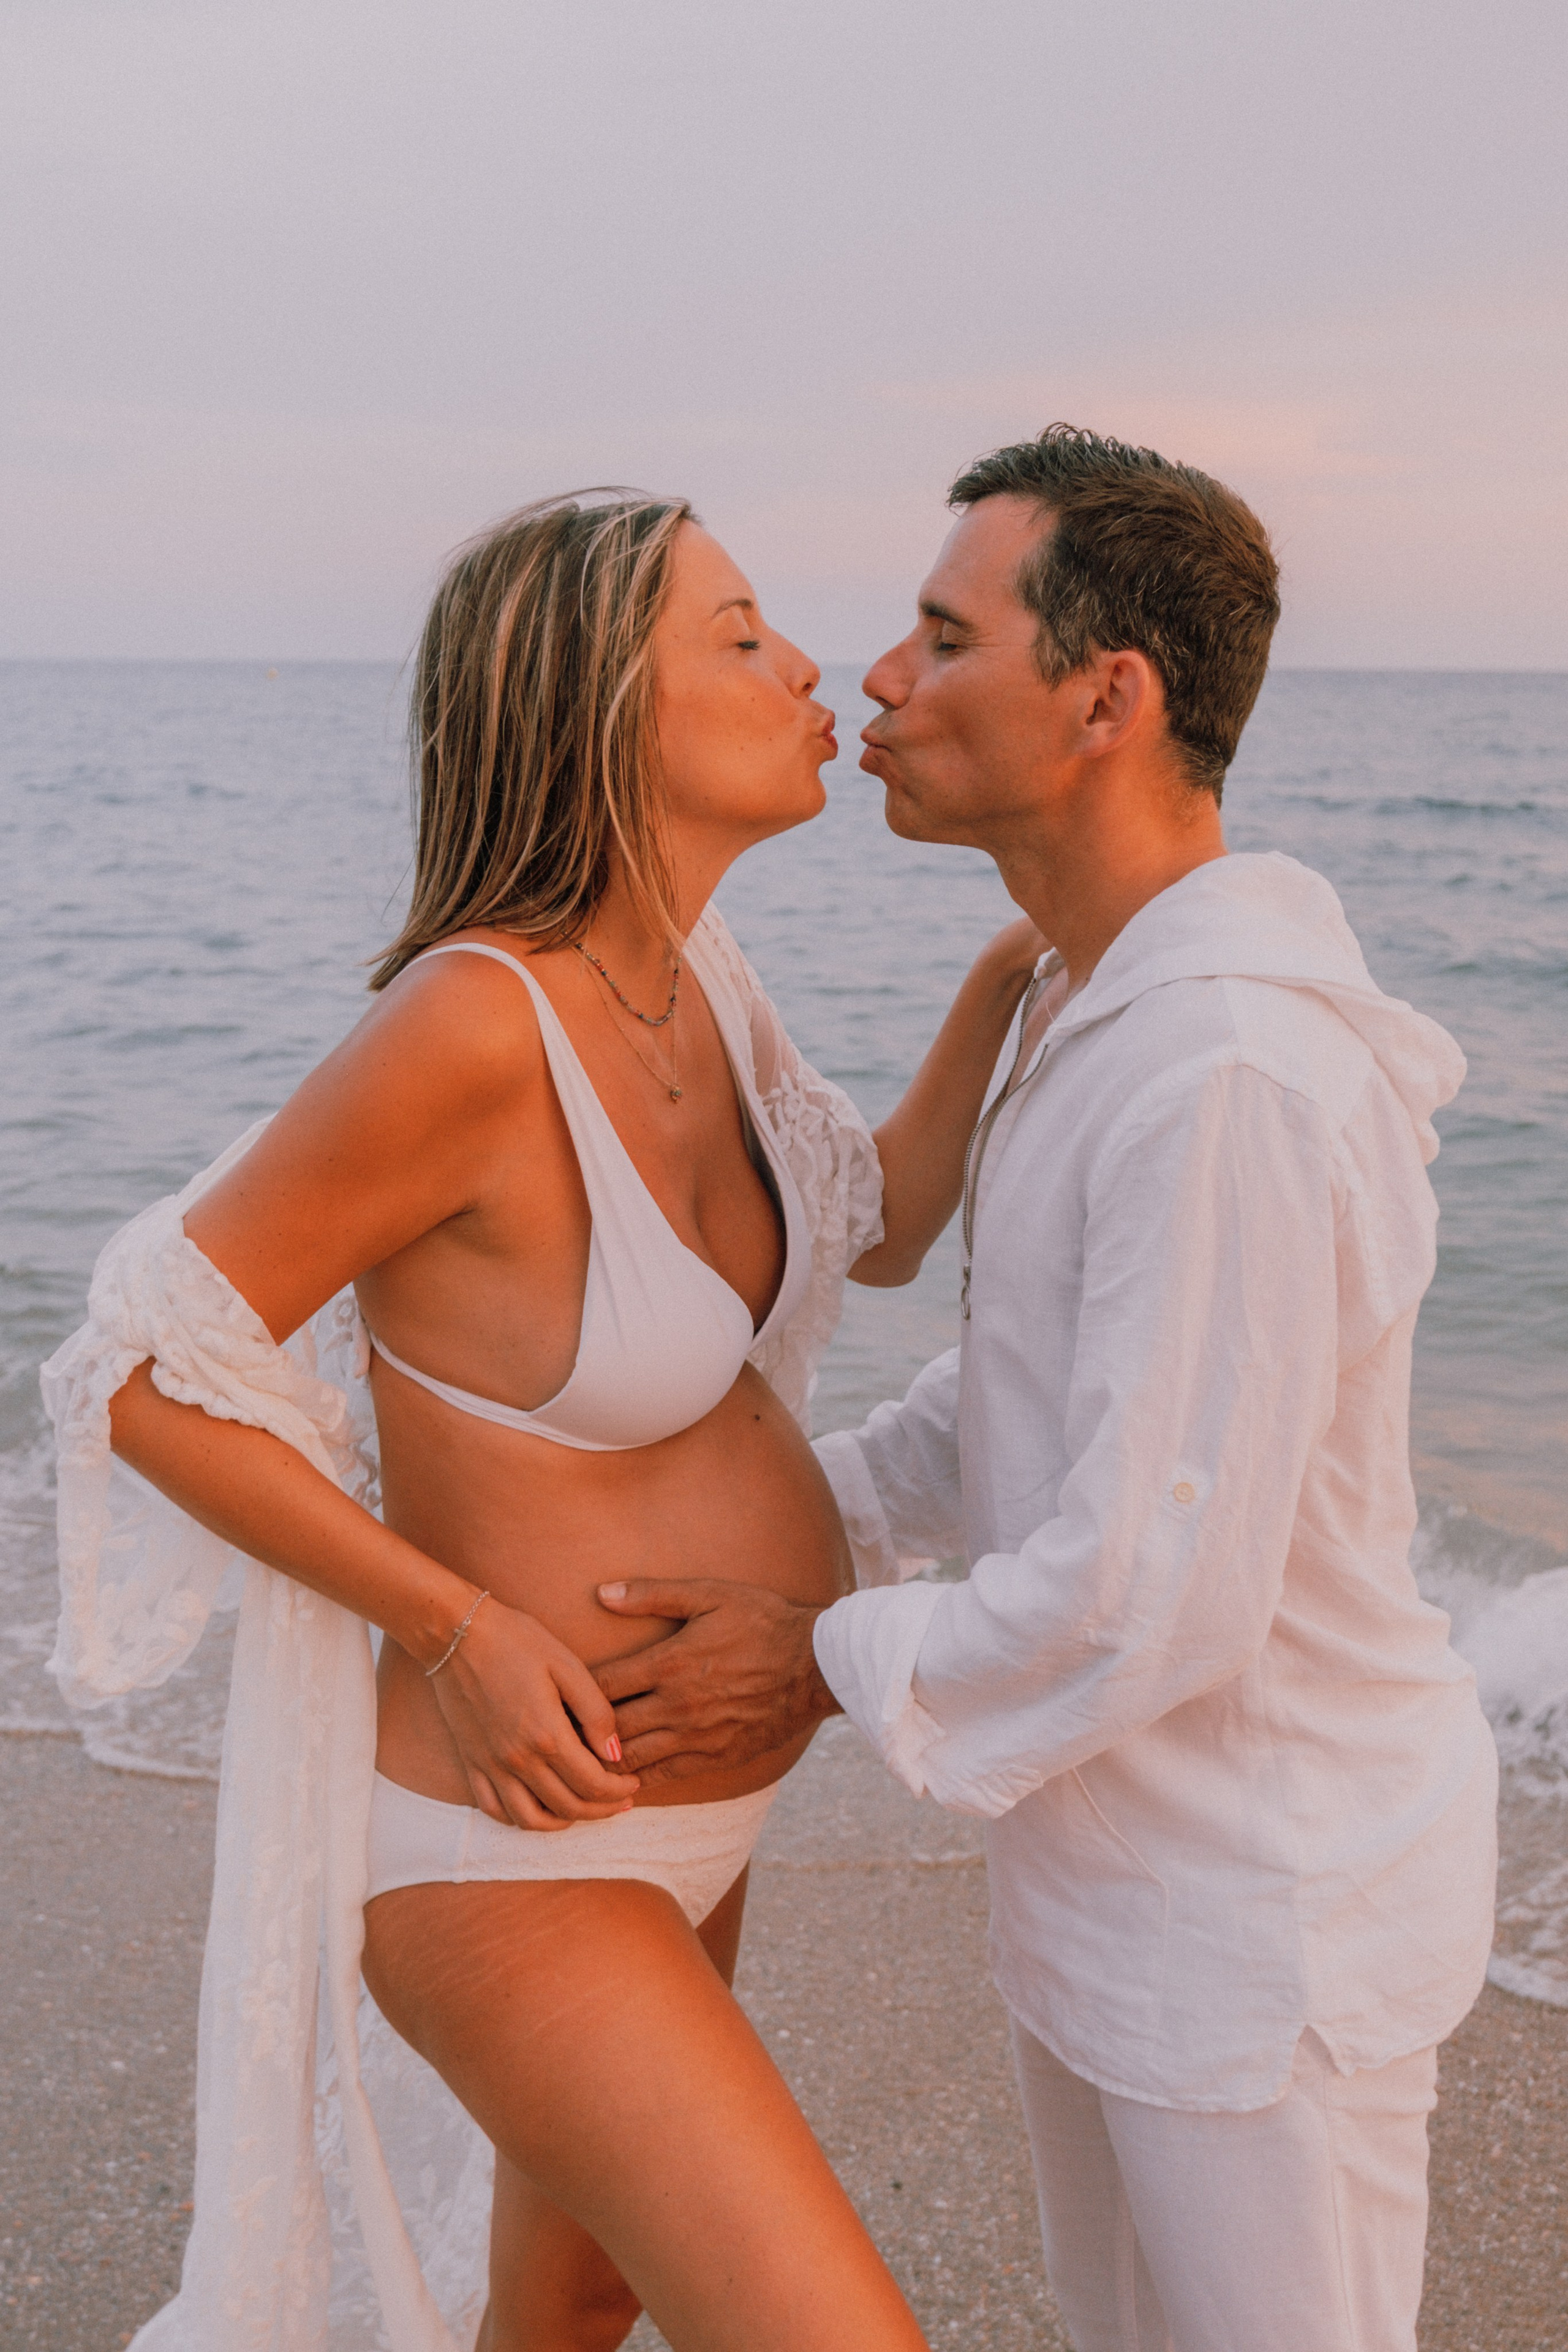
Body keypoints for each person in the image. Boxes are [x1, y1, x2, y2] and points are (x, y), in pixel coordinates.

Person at [42, 491, 1046, 2352]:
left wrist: (1021, 965)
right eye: (739, 637)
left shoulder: (702, 982)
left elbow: (882, 1223)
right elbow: (137, 1374)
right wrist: (456, 1630)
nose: (809, 669)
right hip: (514, 1845)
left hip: (695, 1808)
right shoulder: (474, 1027)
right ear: (600, 709)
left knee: (571, 2313)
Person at [592, 428, 1500, 2351]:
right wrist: (763, 1523)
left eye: (945, 637)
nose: (880, 682)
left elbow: (1146, 1589)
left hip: (1266, 1911)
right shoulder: (1094, 995)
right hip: (1119, 1884)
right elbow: (1013, 1401)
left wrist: (808, 1656)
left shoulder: (1226, 1074)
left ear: (1107, 698)